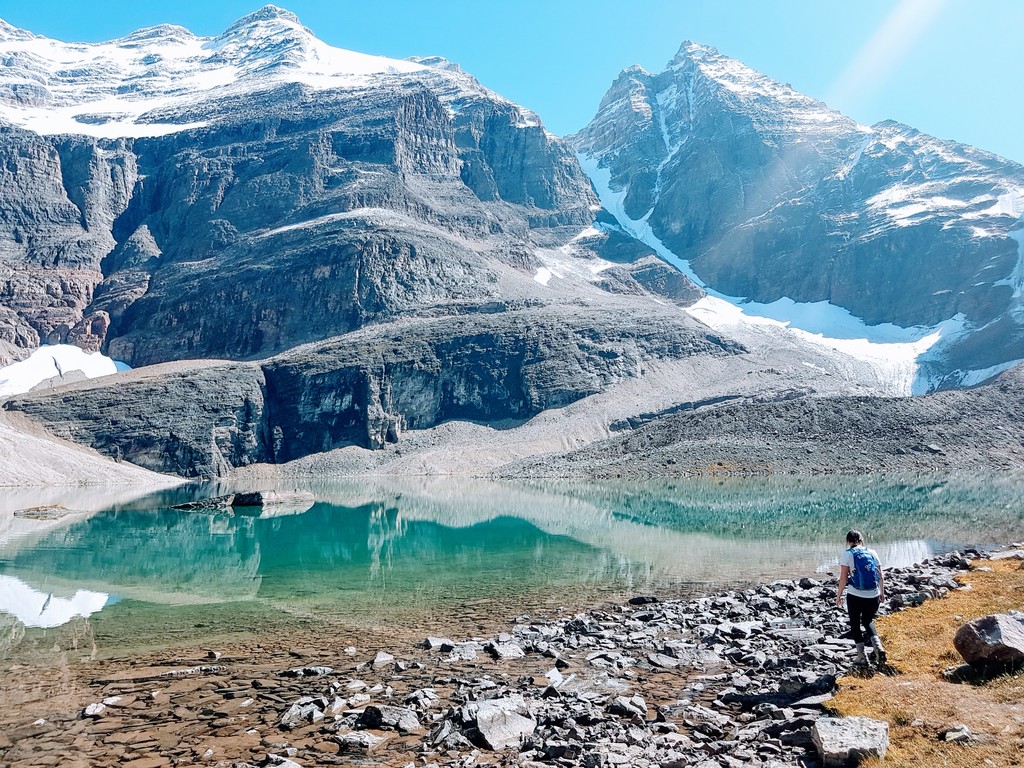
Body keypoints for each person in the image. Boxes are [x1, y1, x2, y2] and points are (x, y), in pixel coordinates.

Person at [835, 529, 886, 667]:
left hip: (855, 595)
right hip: (873, 594)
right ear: (861, 540)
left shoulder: (847, 554)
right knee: (867, 620)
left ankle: (862, 656)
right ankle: (878, 647)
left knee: (855, 623)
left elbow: (843, 578)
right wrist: (882, 592)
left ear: (848, 541)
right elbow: (880, 575)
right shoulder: (872, 552)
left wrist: (838, 596)